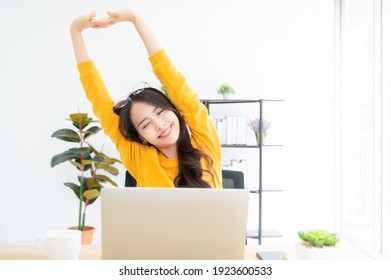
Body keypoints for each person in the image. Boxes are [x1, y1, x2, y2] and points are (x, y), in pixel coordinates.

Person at [70, 10, 222, 188]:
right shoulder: (140, 158)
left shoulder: (205, 142)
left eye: (160, 112)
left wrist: (136, 19)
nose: (159, 124)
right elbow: (99, 99)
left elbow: (171, 77)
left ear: (174, 109)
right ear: (141, 137)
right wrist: (75, 31)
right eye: (145, 124)